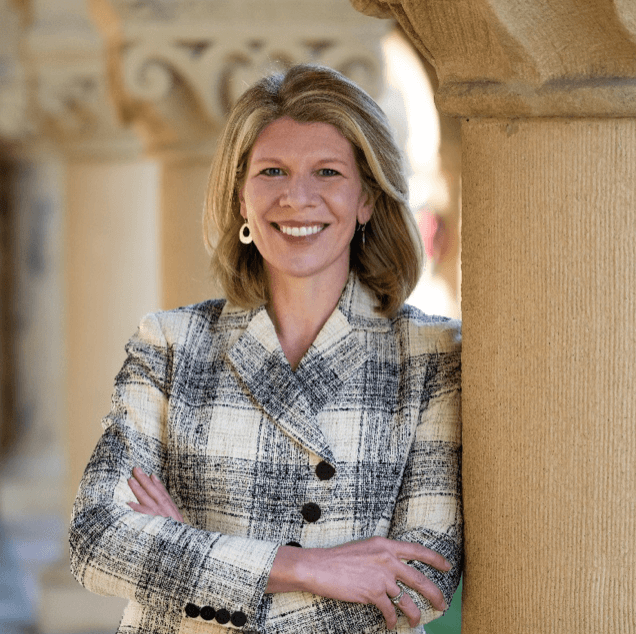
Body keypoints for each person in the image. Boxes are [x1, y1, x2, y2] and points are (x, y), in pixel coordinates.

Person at [69, 64, 462, 634]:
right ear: (241, 197)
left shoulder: (429, 355)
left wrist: (188, 562)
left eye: (327, 172)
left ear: (367, 200)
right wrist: (308, 567)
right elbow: (99, 537)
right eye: (271, 171)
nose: (296, 198)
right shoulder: (172, 343)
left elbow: (419, 583)